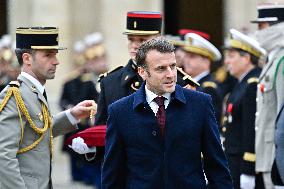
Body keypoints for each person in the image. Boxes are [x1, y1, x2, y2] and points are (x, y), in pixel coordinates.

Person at [101, 37, 233, 189]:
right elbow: (112, 175)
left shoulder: (200, 104)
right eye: (161, 68)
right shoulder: (120, 112)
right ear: (143, 72)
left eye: (173, 66)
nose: (170, 74)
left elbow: (217, 168)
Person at [69, 11, 199, 157]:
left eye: (142, 40)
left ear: (159, 39)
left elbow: (191, 135)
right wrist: (92, 148)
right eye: (131, 39)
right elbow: (103, 134)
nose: (135, 46)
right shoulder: (111, 82)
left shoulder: (180, 82)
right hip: (126, 173)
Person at [0, 27, 96, 189]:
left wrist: (71, 115)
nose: (56, 61)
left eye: (55, 54)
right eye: (48, 55)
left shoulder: (33, 91)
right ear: (27, 59)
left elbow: (37, 132)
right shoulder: (15, 96)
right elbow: (3, 156)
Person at [222, 29, 266, 189]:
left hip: (243, 163)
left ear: (246, 57)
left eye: (231, 56)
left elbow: (251, 129)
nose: (227, 62)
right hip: (234, 161)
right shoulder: (242, 83)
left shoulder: (252, 84)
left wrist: (249, 169)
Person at [252, 4, 284, 188]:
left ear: (276, 27)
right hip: (266, 151)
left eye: (261, 27)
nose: (258, 33)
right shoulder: (273, 58)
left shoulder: (281, 61)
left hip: (276, 154)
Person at [59, 40, 99, 186]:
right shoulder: (68, 82)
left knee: (86, 148)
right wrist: (69, 108)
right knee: (72, 150)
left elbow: (96, 99)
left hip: (86, 123)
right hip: (71, 121)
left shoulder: (89, 83)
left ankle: (86, 176)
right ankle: (75, 175)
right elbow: (62, 100)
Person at [182, 32, 223, 124]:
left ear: (206, 61)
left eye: (192, 57)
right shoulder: (189, 83)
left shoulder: (209, 87)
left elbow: (210, 123)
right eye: (186, 56)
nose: (186, 60)